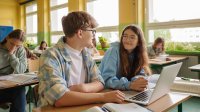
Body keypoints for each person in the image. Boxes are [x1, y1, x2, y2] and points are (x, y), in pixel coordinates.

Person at [38, 11, 125, 107]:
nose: (93, 35)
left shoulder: (86, 54)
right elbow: (60, 98)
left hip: (82, 107)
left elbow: (100, 82)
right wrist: (103, 97)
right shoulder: (51, 55)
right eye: (92, 31)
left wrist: (82, 88)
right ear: (80, 33)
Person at [99, 25, 151, 92]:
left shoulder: (138, 54)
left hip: (121, 91)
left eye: (132, 37)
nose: (127, 40)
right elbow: (107, 80)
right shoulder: (113, 51)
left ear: (138, 42)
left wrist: (138, 82)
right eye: (125, 36)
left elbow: (141, 74)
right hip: (105, 91)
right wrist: (130, 85)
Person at [0, 29, 27, 112]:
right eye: (11, 43)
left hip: (12, 87)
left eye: (17, 46)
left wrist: (11, 55)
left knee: (20, 90)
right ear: (7, 38)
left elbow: (21, 70)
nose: (13, 47)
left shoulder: (21, 50)